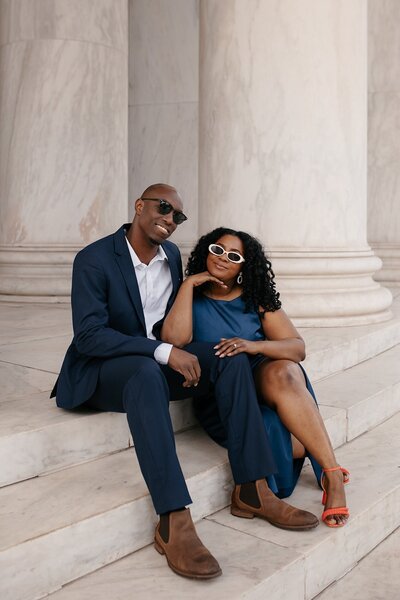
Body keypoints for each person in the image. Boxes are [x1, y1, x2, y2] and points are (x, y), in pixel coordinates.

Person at [51, 185, 319, 582]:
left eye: (178, 215)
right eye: (163, 208)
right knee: (144, 371)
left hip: (153, 364)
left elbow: (173, 325)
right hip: (103, 370)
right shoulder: (94, 259)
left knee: (229, 355)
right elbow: (90, 336)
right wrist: (162, 352)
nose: (170, 218)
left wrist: (182, 346)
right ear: (139, 207)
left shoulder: (172, 257)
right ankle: (173, 518)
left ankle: (253, 489)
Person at [160, 227, 350, 528]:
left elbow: (297, 348)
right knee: (282, 433)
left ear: (243, 267)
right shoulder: (191, 296)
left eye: (233, 256)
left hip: (266, 380)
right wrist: (189, 284)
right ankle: (297, 448)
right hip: (225, 396)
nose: (223, 258)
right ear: (206, 251)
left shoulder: (255, 299)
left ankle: (333, 475)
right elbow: (175, 340)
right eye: (217, 250)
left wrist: (253, 345)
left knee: (285, 369)